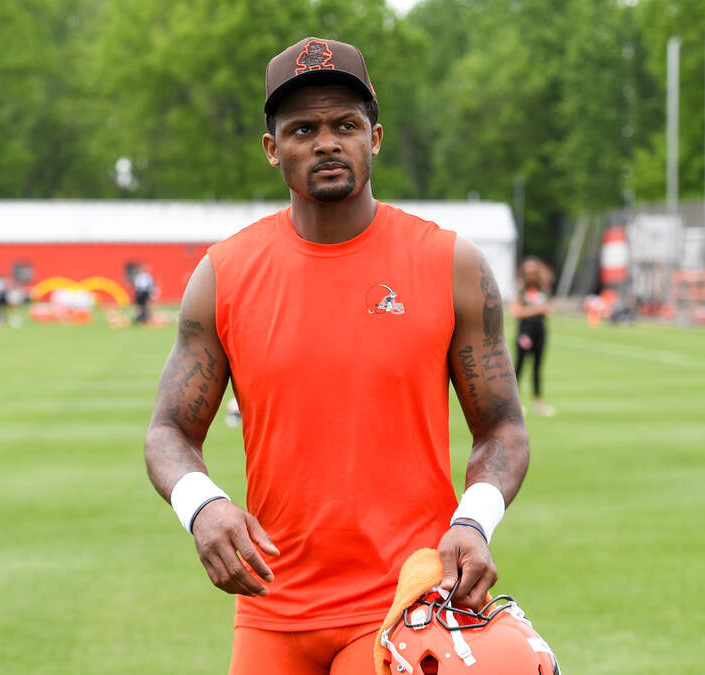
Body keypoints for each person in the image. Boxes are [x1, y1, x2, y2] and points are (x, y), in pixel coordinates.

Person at [143, 37, 531, 675]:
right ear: (273, 149)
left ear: (374, 138)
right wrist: (202, 506)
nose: (326, 142)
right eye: (303, 129)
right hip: (271, 606)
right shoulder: (223, 274)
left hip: (403, 604)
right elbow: (168, 432)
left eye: (345, 125)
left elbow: (503, 427)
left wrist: (475, 521)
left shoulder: (450, 264)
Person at [509, 256, 556, 417]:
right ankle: (513, 404)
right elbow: (516, 312)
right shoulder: (520, 291)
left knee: (537, 367)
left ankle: (539, 403)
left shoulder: (542, 290)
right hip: (525, 332)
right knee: (519, 367)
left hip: (540, 331)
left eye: (533, 270)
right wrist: (537, 309)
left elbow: (549, 310)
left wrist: (540, 309)